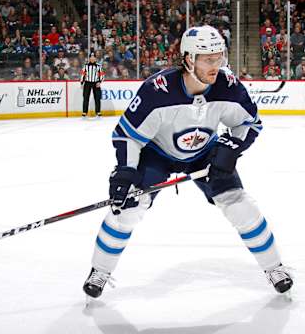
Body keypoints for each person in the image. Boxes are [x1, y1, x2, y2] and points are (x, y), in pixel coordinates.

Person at [82, 26, 294, 300]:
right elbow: (127, 136)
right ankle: (99, 271)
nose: (215, 65)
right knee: (127, 210)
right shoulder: (156, 90)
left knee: (239, 204)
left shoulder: (228, 86)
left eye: (219, 57)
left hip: (204, 153)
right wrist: (124, 173)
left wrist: (231, 148)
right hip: (157, 154)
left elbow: (249, 123)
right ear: (188, 59)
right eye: (208, 58)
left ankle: (275, 268)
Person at [80, 52, 105, 117]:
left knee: (97, 98)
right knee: (86, 97)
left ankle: (98, 111)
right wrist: (82, 83)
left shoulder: (99, 66)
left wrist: (100, 82)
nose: (92, 58)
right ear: (89, 58)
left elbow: (102, 75)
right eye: (91, 57)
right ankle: (84, 112)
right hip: (87, 83)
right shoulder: (85, 66)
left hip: (96, 83)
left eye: (93, 57)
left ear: (95, 58)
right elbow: (83, 74)